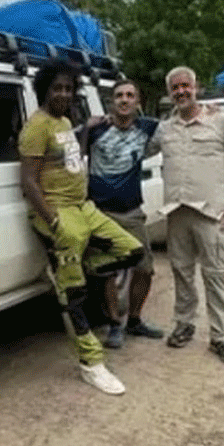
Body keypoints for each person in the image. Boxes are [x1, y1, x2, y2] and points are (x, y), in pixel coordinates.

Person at [19, 59, 145, 394]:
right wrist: (54, 222)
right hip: (59, 212)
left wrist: (86, 129)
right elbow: (28, 182)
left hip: (83, 208)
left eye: (68, 88)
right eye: (57, 88)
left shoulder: (63, 121)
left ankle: (78, 270)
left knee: (133, 251)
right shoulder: (37, 126)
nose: (63, 93)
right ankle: (91, 363)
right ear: (44, 90)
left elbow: (73, 154)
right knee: (73, 295)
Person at [148, 66, 224, 366]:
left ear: (196, 88)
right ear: (169, 93)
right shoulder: (164, 129)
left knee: (215, 275)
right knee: (181, 271)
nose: (181, 91)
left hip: (211, 214)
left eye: (186, 86)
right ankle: (184, 324)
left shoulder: (222, 121)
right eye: (175, 88)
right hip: (177, 213)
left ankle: (222, 337)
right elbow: (139, 147)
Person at [84, 79, 166, 349]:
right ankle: (114, 324)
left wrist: (209, 111)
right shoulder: (95, 130)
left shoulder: (148, 128)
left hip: (132, 213)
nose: (124, 99)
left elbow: (180, 123)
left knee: (145, 269)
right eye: (119, 95)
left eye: (130, 95)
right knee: (108, 272)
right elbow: (68, 149)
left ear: (137, 102)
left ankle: (134, 320)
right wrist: (86, 126)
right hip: (101, 214)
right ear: (111, 101)